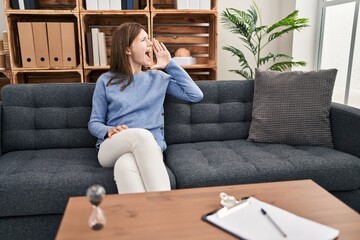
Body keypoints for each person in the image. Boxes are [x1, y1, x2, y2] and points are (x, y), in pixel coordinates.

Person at [88, 22, 203, 194]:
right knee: (141, 135)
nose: (150, 44)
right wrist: (109, 130)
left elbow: (195, 95)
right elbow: (94, 122)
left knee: (125, 166)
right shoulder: (106, 80)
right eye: (144, 40)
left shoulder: (158, 78)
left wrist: (169, 64)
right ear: (127, 49)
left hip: (150, 148)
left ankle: (145, 219)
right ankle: (167, 204)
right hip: (112, 147)